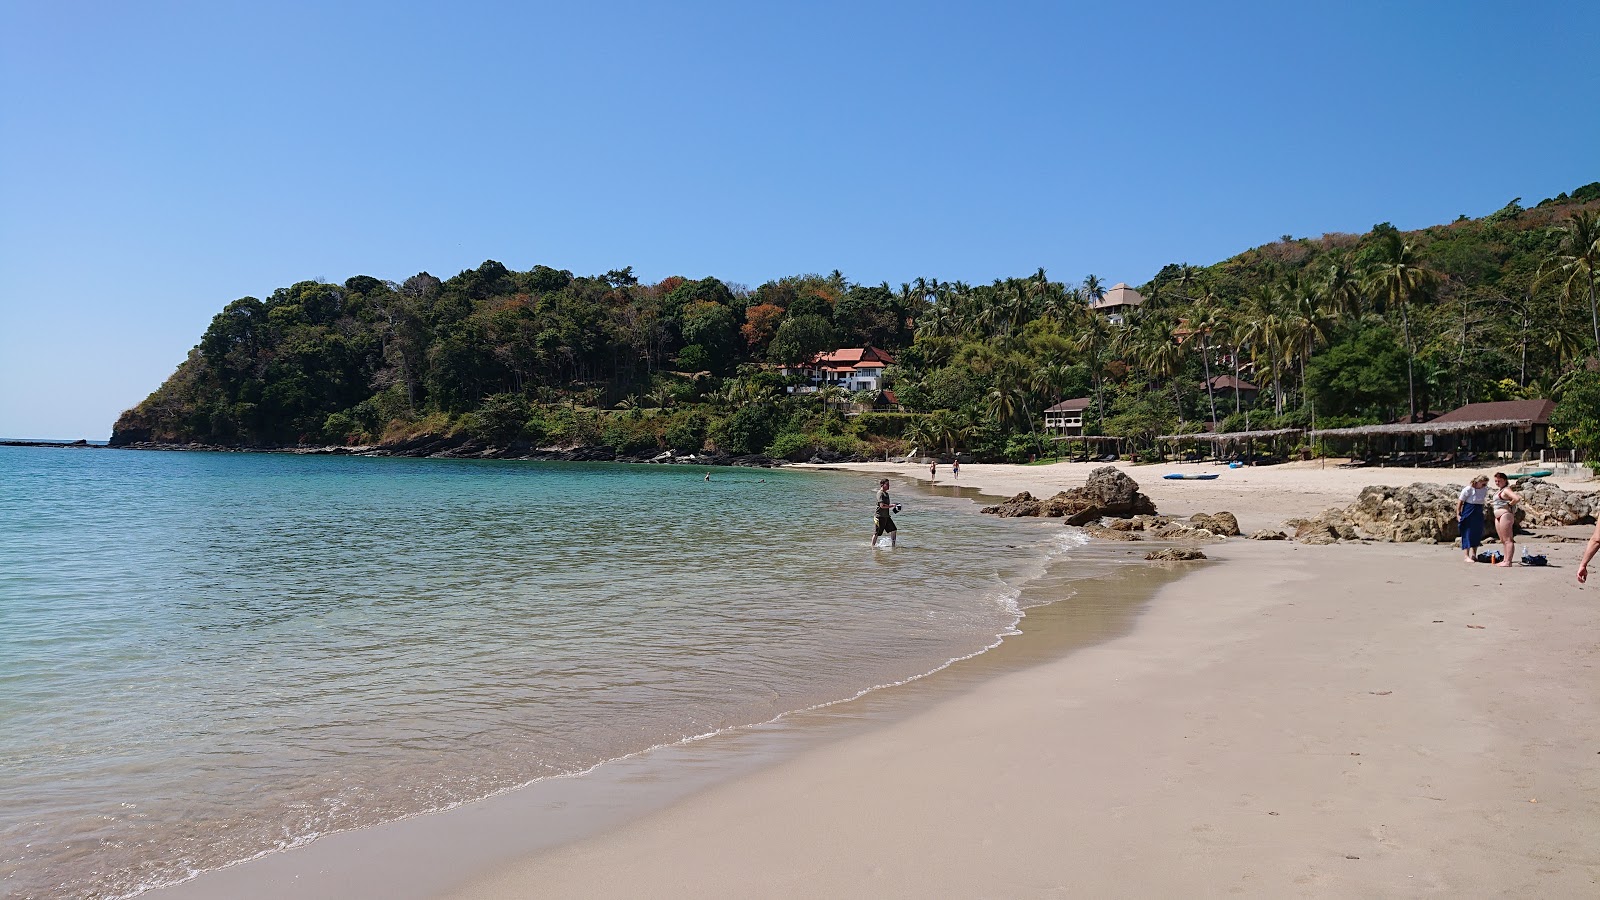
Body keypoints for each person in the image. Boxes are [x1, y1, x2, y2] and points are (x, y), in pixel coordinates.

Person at [1456, 475, 1490, 562]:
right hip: (1469, 511)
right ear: (1477, 482)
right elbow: (1460, 501)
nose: (1484, 486)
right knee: (1467, 532)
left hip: (1478, 511)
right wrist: (1458, 514)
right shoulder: (1468, 489)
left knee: (1476, 533)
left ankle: (1474, 554)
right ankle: (1466, 555)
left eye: (1485, 484)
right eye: (1483, 484)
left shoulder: (1484, 490)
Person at [1490, 472, 1521, 567]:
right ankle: (1505, 559)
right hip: (1498, 515)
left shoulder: (1506, 490)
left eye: (1499, 481)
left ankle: (1508, 561)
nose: (1497, 482)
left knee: (1508, 539)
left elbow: (1516, 498)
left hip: (1505, 515)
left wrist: (1509, 505)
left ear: (1505, 480)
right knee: (1503, 540)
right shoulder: (1499, 490)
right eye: (1495, 481)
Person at [873, 478, 898, 548]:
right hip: (879, 516)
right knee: (877, 533)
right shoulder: (880, 493)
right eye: (887, 484)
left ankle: (893, 546)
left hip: (886, 516)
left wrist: (895, 507)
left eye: (889, 484)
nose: (889, 486)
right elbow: (882, 506)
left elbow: (886, 506)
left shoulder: (886, 494)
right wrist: (891, 505)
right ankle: (872, 547)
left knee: (894, 529)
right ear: (882, 485)